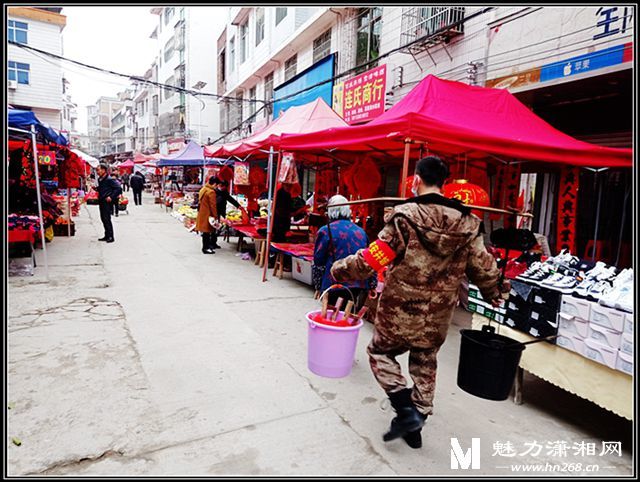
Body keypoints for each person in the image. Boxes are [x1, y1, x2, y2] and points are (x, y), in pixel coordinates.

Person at [331, 156, 507, 449]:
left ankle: (404, 410)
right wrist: (495, 293)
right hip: (438, 313)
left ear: (416, 180)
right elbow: (484, 268)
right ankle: (417, 422)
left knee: (380, 353)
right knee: (425, 363)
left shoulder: (404, 217)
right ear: (445, 183)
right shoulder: (467, 222)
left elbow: (374, 258)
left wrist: (340, 269)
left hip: (400, 310)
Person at [314, 195, 374, 309]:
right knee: (348, 314)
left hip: (334, 281)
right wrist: (372, 284)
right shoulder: (360, 231)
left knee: (331, 316)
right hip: (357, 283)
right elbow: (369, 259)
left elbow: (318, 260)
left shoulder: (325, 231)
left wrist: (318, 285)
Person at [213, 179, 247, 250]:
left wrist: (239, 206)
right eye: (223, 187)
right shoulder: (214, 192)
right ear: (220, 185)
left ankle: (214, 242)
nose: (224, 188)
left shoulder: (225, 192)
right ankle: (211, 243)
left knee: (218, 228)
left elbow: (231, 199)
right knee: (213, 228)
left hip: (222, 212)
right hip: (214, 212)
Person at [96, 163, 122, 243]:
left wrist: (111, 196)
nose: (97, 172)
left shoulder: (110, 179)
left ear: (104, 170)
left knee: (107, 219)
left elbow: (118, 189)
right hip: (102, 201)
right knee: (103, 218)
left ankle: (111, 236)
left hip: (107, 202)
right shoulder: (101, 179)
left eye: (98, 170)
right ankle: (106, 235)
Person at [196, 176, 219, 254]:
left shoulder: (203, 189)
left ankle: (206, 247)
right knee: (207, 232)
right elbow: (213, 205)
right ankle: (205, 248)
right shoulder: (211, 192)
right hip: (208, 214)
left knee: (205, 232)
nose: (217, 187)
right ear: (215, 184)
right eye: (217, 185)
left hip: (202, 213)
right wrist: (215, 216)